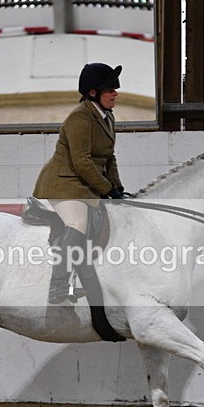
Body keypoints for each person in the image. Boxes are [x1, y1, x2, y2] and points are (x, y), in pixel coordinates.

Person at [33, 62, 128, 304]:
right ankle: (58, 286)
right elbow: (82, 162)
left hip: (83, 184)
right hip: (63, 183)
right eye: (110, 89)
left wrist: (117, 188)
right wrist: (106, 189)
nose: (115, 93)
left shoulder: (107, 117)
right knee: (78, 223)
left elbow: (109, 157)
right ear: (93, 93)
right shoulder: (80, 118)